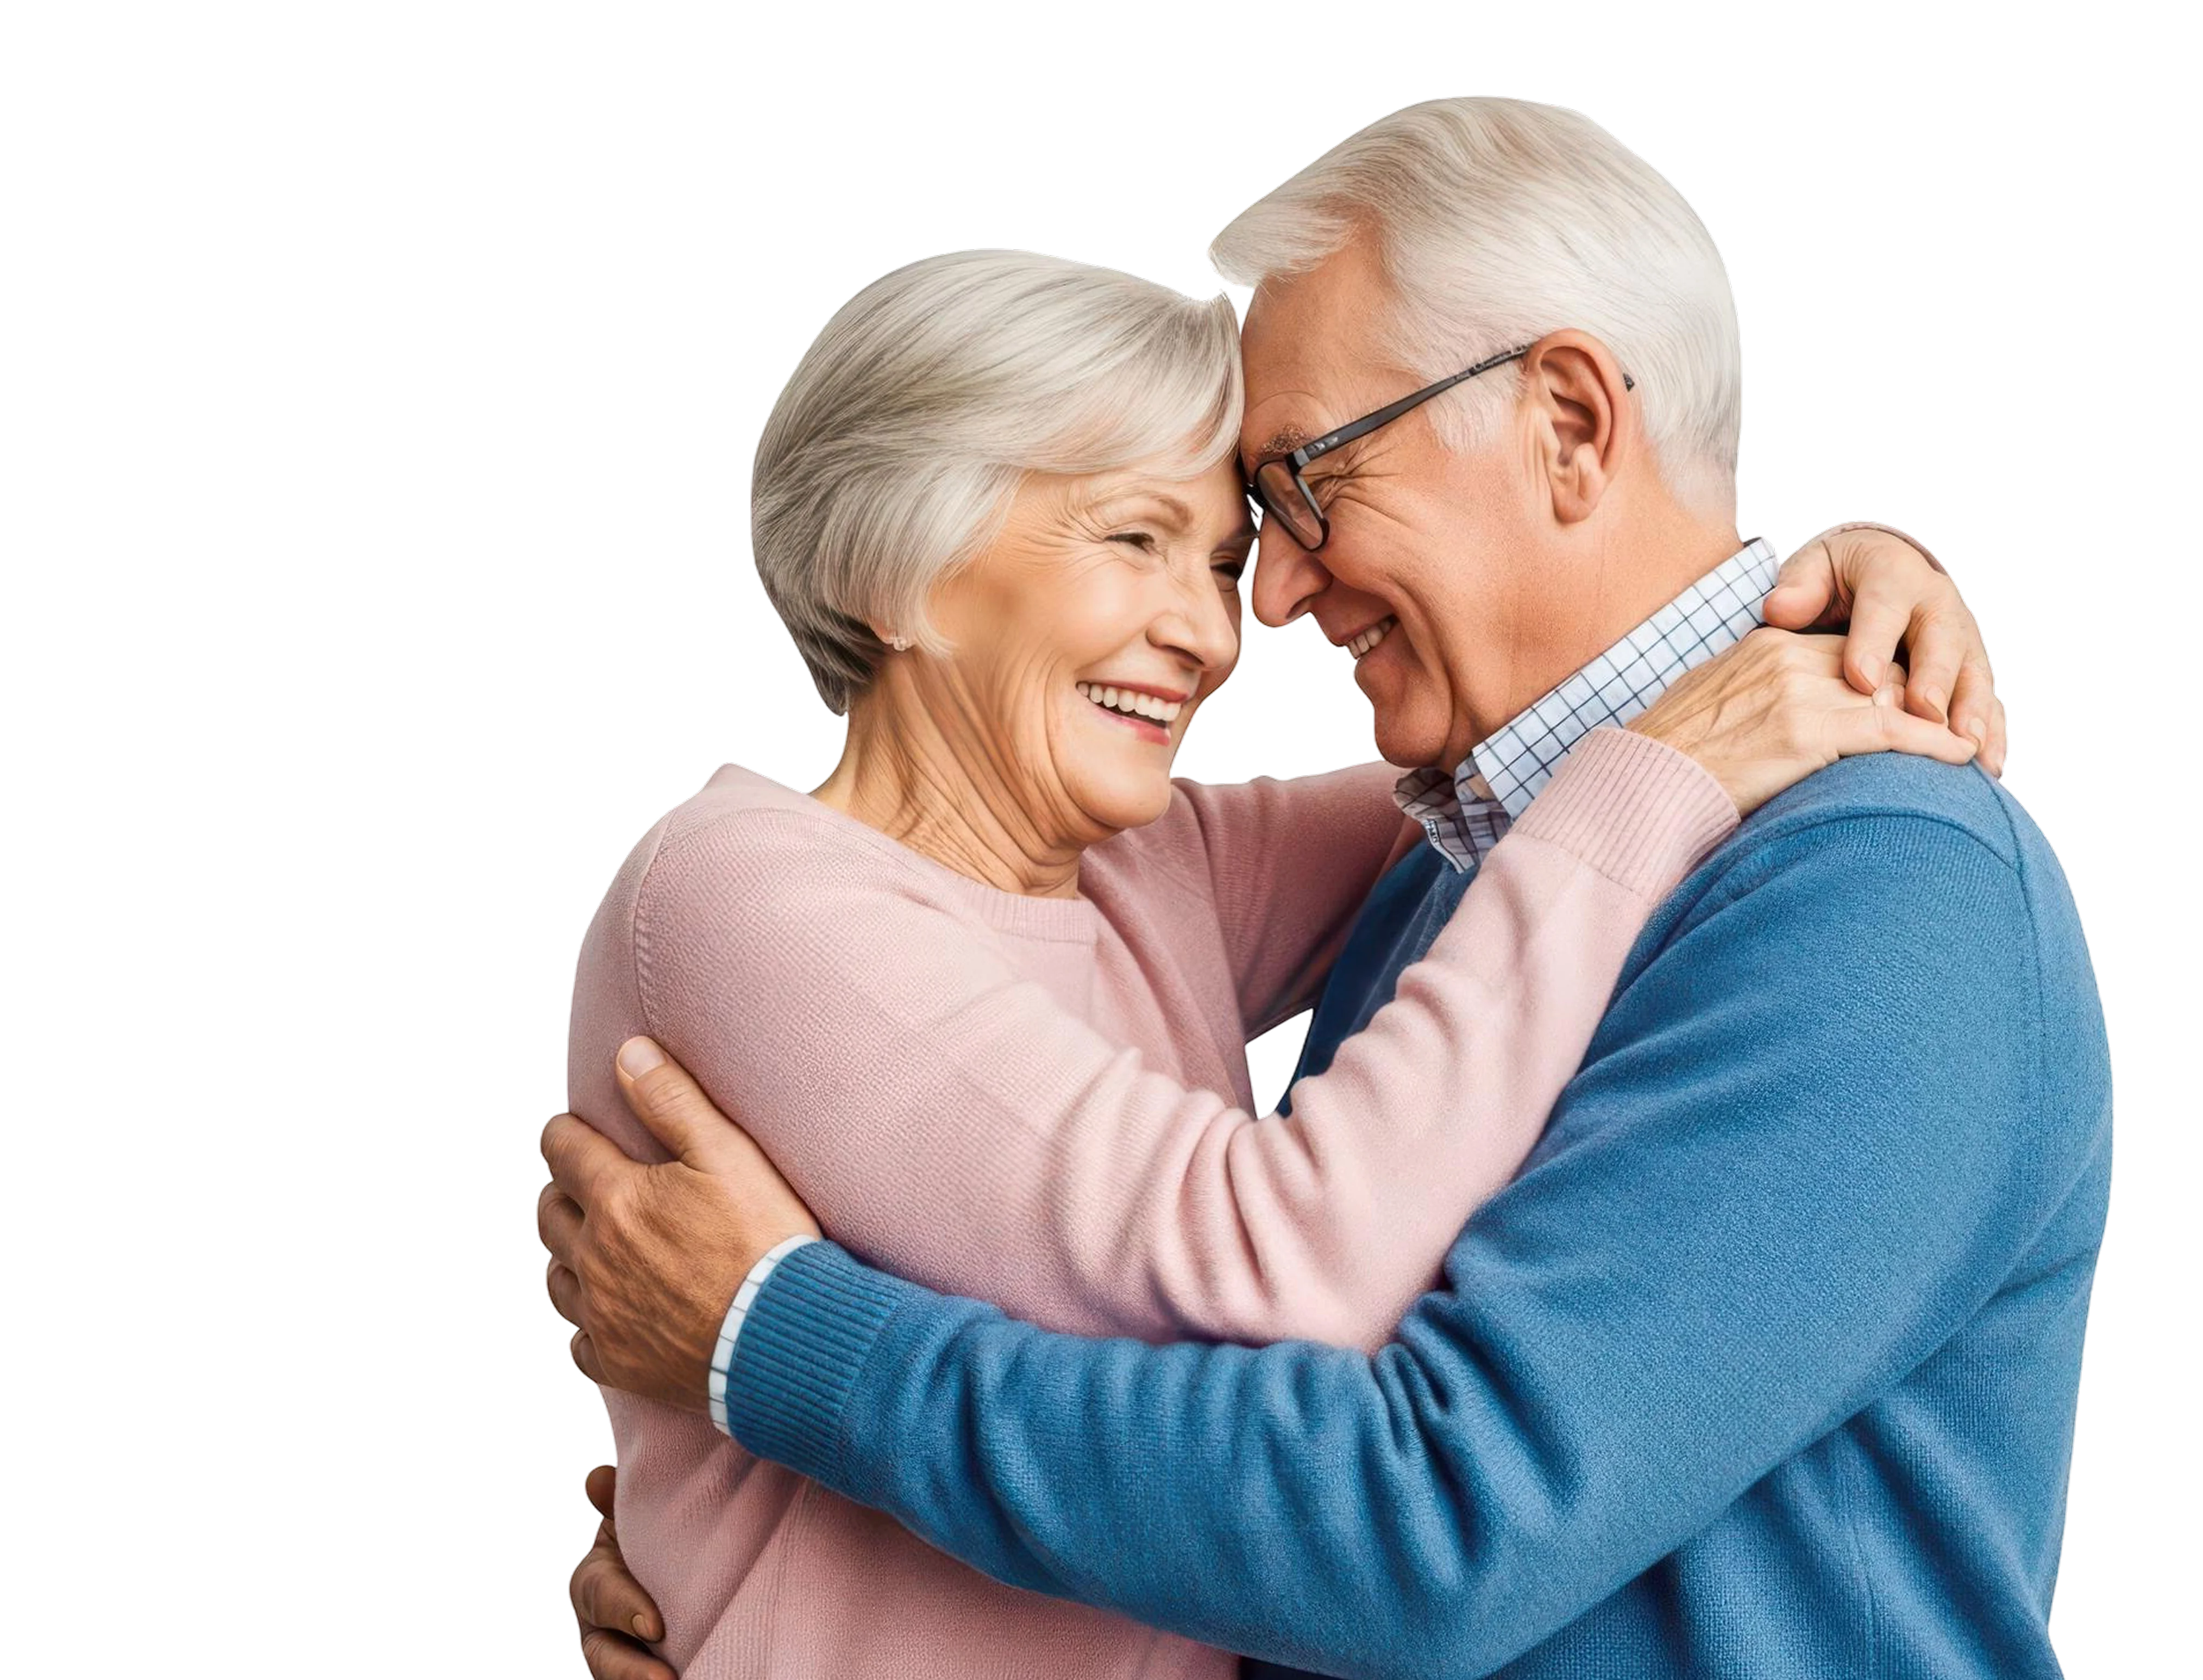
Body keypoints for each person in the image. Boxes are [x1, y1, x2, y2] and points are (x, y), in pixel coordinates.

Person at [543, 97, 2099, 1679]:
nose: (1260, 610)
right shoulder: (1476, 856)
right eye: (1181, 534)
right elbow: (1277, 1385)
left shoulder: (1876, 884)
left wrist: (779, 1344)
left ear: (1568, 423)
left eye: (1300, 487)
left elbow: (1423, 1521)